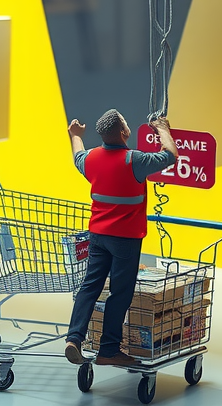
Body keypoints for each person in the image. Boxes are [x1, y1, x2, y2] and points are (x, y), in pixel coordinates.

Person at [64, 110, 178, 368]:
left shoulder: (91, 158)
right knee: (120, 293)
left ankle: (74, 338)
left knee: (90, 286)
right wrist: (162, 128)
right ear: (124, 133)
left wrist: (75, 135)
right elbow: (170, 155)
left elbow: (77, 156)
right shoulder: (134, 160)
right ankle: (109, 350)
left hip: (98, 235)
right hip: (125, 239)